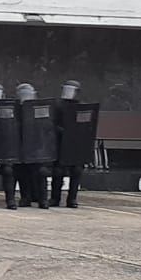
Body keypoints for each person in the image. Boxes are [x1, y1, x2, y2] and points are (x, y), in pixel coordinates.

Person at [51, 80, 84, 209]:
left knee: (76, 171)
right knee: (58, 171)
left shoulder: (81, 107)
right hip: (60, 143)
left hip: (75, 144)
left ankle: (72, 199)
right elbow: (53, 123)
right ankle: (55, 198)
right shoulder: (58, 106)